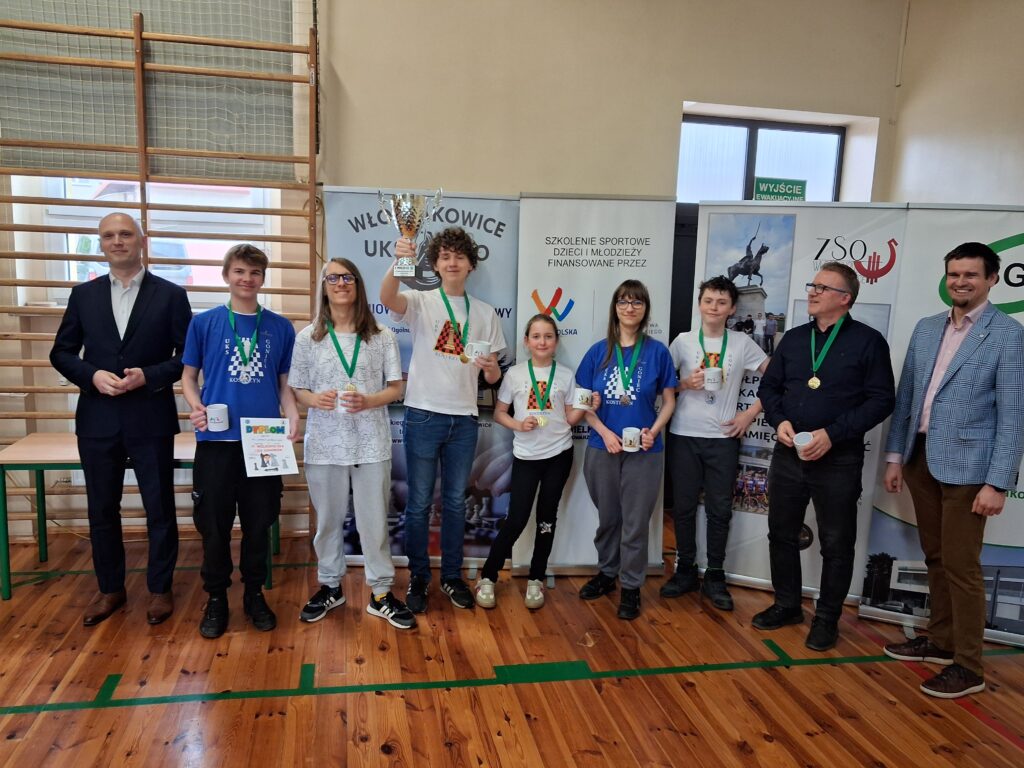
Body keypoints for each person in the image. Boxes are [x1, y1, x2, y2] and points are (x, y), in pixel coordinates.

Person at [882, 242, 1024, 699]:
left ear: (992, 279)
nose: (960, 282)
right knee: (936, 557)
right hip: (921, 460)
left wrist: (998, 482)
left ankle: (969, 666)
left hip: (971, 470)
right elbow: (907, 398)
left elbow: (1013, 416)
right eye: (954, 274)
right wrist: (895, 456)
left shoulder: (1008, 335)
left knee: (962, 567)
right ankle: (941, 643)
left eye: (970, 275)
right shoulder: (927, 328)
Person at [50, 213, 192, 627]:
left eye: (125, 234)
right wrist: (91, 375)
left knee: (159, 507)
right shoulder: (83, 295)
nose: (117, 241)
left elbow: (187, 356)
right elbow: (61, 353)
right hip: (98, 418)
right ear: (101, 244)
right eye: (109, 235)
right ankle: (110, 588)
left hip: (150, 416)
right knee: (101, 509)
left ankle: (160, 589)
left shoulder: (171, 295)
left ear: (141, 241)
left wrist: (149, 375)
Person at [754, 262, 894, 651]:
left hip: (838, 460)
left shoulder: (868, 342)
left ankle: (827, 619)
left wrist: (833, 434)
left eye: (822, 287)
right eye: (812, 285)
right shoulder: (795, 339)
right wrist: (779, 420)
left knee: (836, 543)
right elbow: (769, 388)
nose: (812, 292)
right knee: (781, 533)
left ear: (845, 298)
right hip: (788, 455)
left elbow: (882, 400)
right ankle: (787, 605)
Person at [381, 227, 506, 613]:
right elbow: (386, 298)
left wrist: (490, 368)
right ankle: (419, 577)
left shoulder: (484, 313)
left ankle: (451, 576)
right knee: (418, 503)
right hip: (423, 413)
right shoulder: (421, 301)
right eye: (445, 257)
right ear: (435, 264)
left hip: (464, 419)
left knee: (454, 502)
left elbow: (493, 377)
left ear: (471, 265)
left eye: (459, 257)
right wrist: (400, 260)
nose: (452, 263)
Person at [289, 258, 414, 629]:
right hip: (325, 444)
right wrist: (314, 400)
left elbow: (396, 388)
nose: (340, 283)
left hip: (371, 443)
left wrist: (369, 400)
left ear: (357, 285)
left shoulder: (381, 336)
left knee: (374, 522)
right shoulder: (308, 337)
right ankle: (330, 586)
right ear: (324, 287)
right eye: (333, 278)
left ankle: (381, 593)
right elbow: (298, 388)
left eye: (347, 277)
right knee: (328, 521)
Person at [182, 244, 299, 638]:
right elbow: (188, 377)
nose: (247, 279)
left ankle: (253, 594)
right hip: (217, 440)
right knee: (214, 525)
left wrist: (293, 414)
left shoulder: (280, 328)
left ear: (262, 278)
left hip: (264, 441)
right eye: (239, 271)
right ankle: (216, 597)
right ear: (226, 275)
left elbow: (284, 385)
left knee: (258, 522)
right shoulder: (205, 323)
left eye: (254, 272)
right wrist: (196, 406)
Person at [662, 276, 768, 610]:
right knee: (683, 507)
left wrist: (749, 414)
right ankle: (685, 569)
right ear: (700, 304)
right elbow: (662, 386)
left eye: (722, 302)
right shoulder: (682, 341)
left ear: (732, 309)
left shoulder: (741, 343)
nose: (714, 307)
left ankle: (716, 575)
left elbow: (776, 377)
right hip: (684, 434)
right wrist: (684, 384)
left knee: (720, 509)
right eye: (708, 301)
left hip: (723, 438)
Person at [474, 314, 592, 610]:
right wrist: (518, 424)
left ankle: (536, 578)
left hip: (559, 456)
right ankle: (488, 576)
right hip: (526, 457)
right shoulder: (515, 374)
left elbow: (570, 418)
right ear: (526, 342)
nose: (542, 341)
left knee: (546, 519)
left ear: (556, 341)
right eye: (536, 336)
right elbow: (499, 413)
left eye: (548, 336)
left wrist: (587, 406)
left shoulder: (565, 375)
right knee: (516, 519)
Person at [576, 280, 677, 620]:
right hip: (602, 447)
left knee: (635, 523)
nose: (630, 308)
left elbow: (669, 401)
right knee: (608, 519)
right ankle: (607, 574)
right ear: (615, 308)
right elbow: (582, 404)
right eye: (623, 301)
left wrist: (654, 431)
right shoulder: (597, 352)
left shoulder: (657, 352)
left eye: (637, 302)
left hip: (645, 452)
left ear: (645, 309)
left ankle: (631, 587)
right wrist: (604, 432)